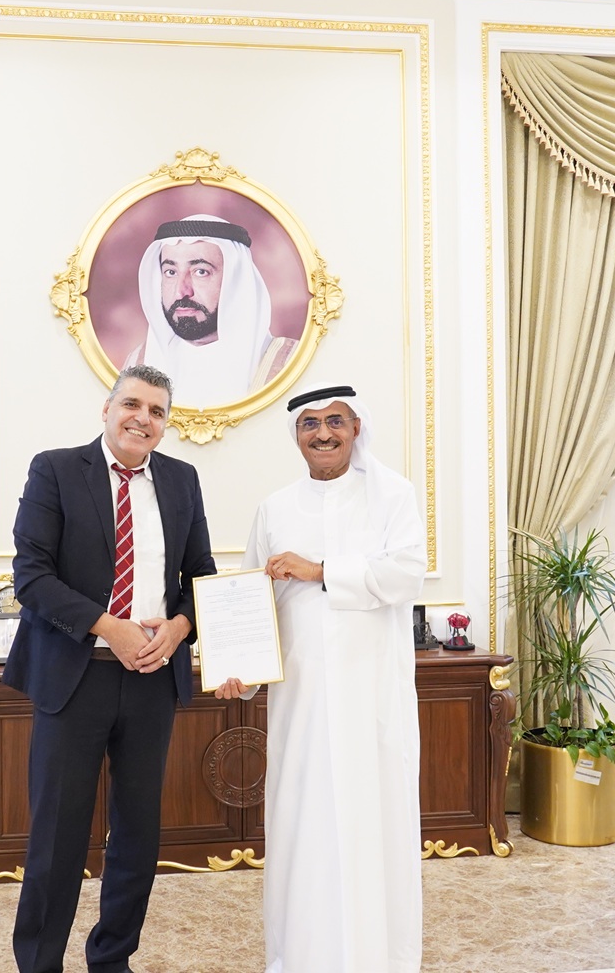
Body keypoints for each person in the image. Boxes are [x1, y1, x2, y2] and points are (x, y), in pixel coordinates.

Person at [3, 364, 216, 973]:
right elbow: (32, 576)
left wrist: (180, 627)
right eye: (132, 404)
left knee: (137, 833)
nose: (142, 419)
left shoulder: (181, 480)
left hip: (153, 680)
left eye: (156, 412)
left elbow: (200, 576)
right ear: (107, 408)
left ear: (165, 424)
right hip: (76, 677)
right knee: (57, 835)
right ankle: (39, 962)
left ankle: (112, 958)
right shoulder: (55, 470)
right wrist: (108, 626)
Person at [215, 384, 425, 973]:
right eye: (310, 424)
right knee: (303, 829)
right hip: (301, 706)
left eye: (335, 421)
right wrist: (240, 673)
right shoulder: (275, 508)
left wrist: (320, 571)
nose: (324, 433)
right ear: (297, 436)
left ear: (356, 428)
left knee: (373, 823)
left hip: (372, 698)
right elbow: (253, 600)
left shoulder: (393, 495)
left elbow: (407, 574)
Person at [123, 214, 298, 406]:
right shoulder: (137, 363)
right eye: (171, 272)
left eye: (201, 272)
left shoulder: (289, 363)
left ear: (236, 281)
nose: (181, 291)